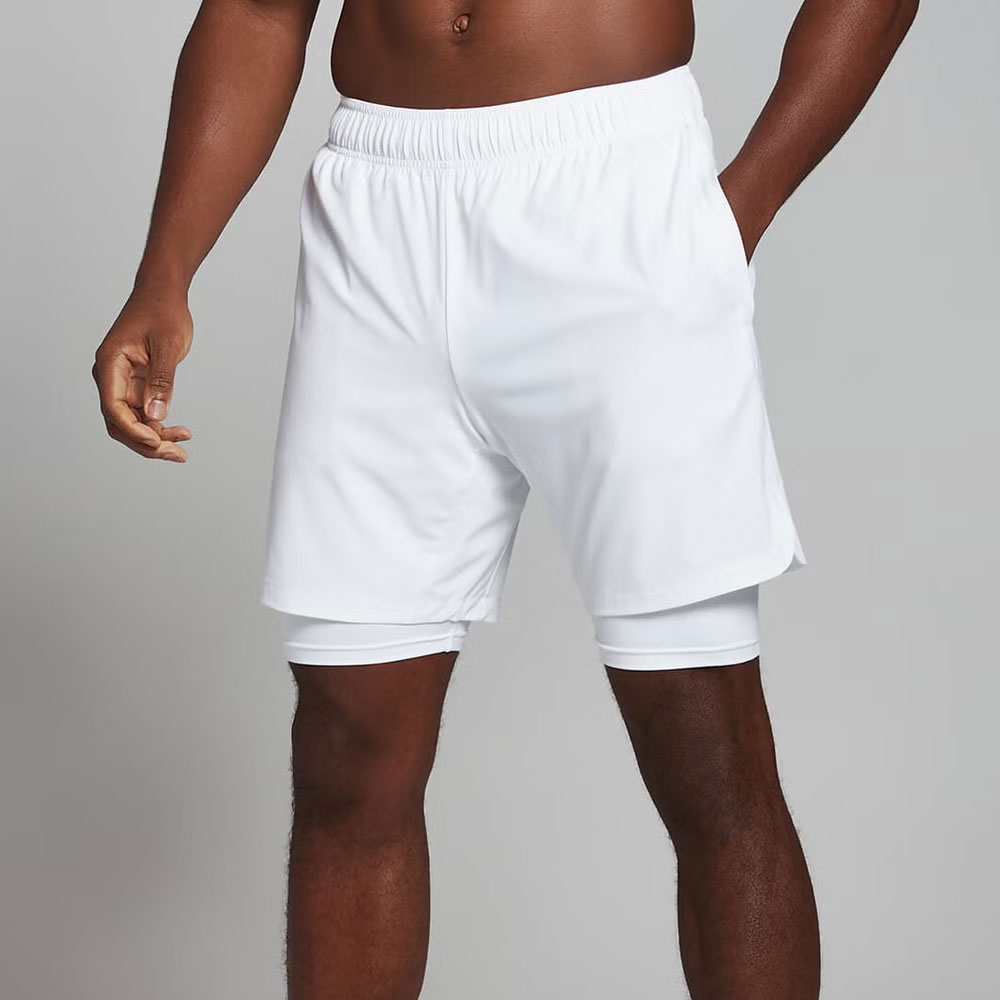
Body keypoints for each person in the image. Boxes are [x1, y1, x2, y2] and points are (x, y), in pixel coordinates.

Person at [91, 0, 918, 996]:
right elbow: (259, 13)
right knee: (347, 748)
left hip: (616, 191)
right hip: (377, 218)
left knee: (704, 750)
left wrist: (738, 207)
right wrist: (166, 271)